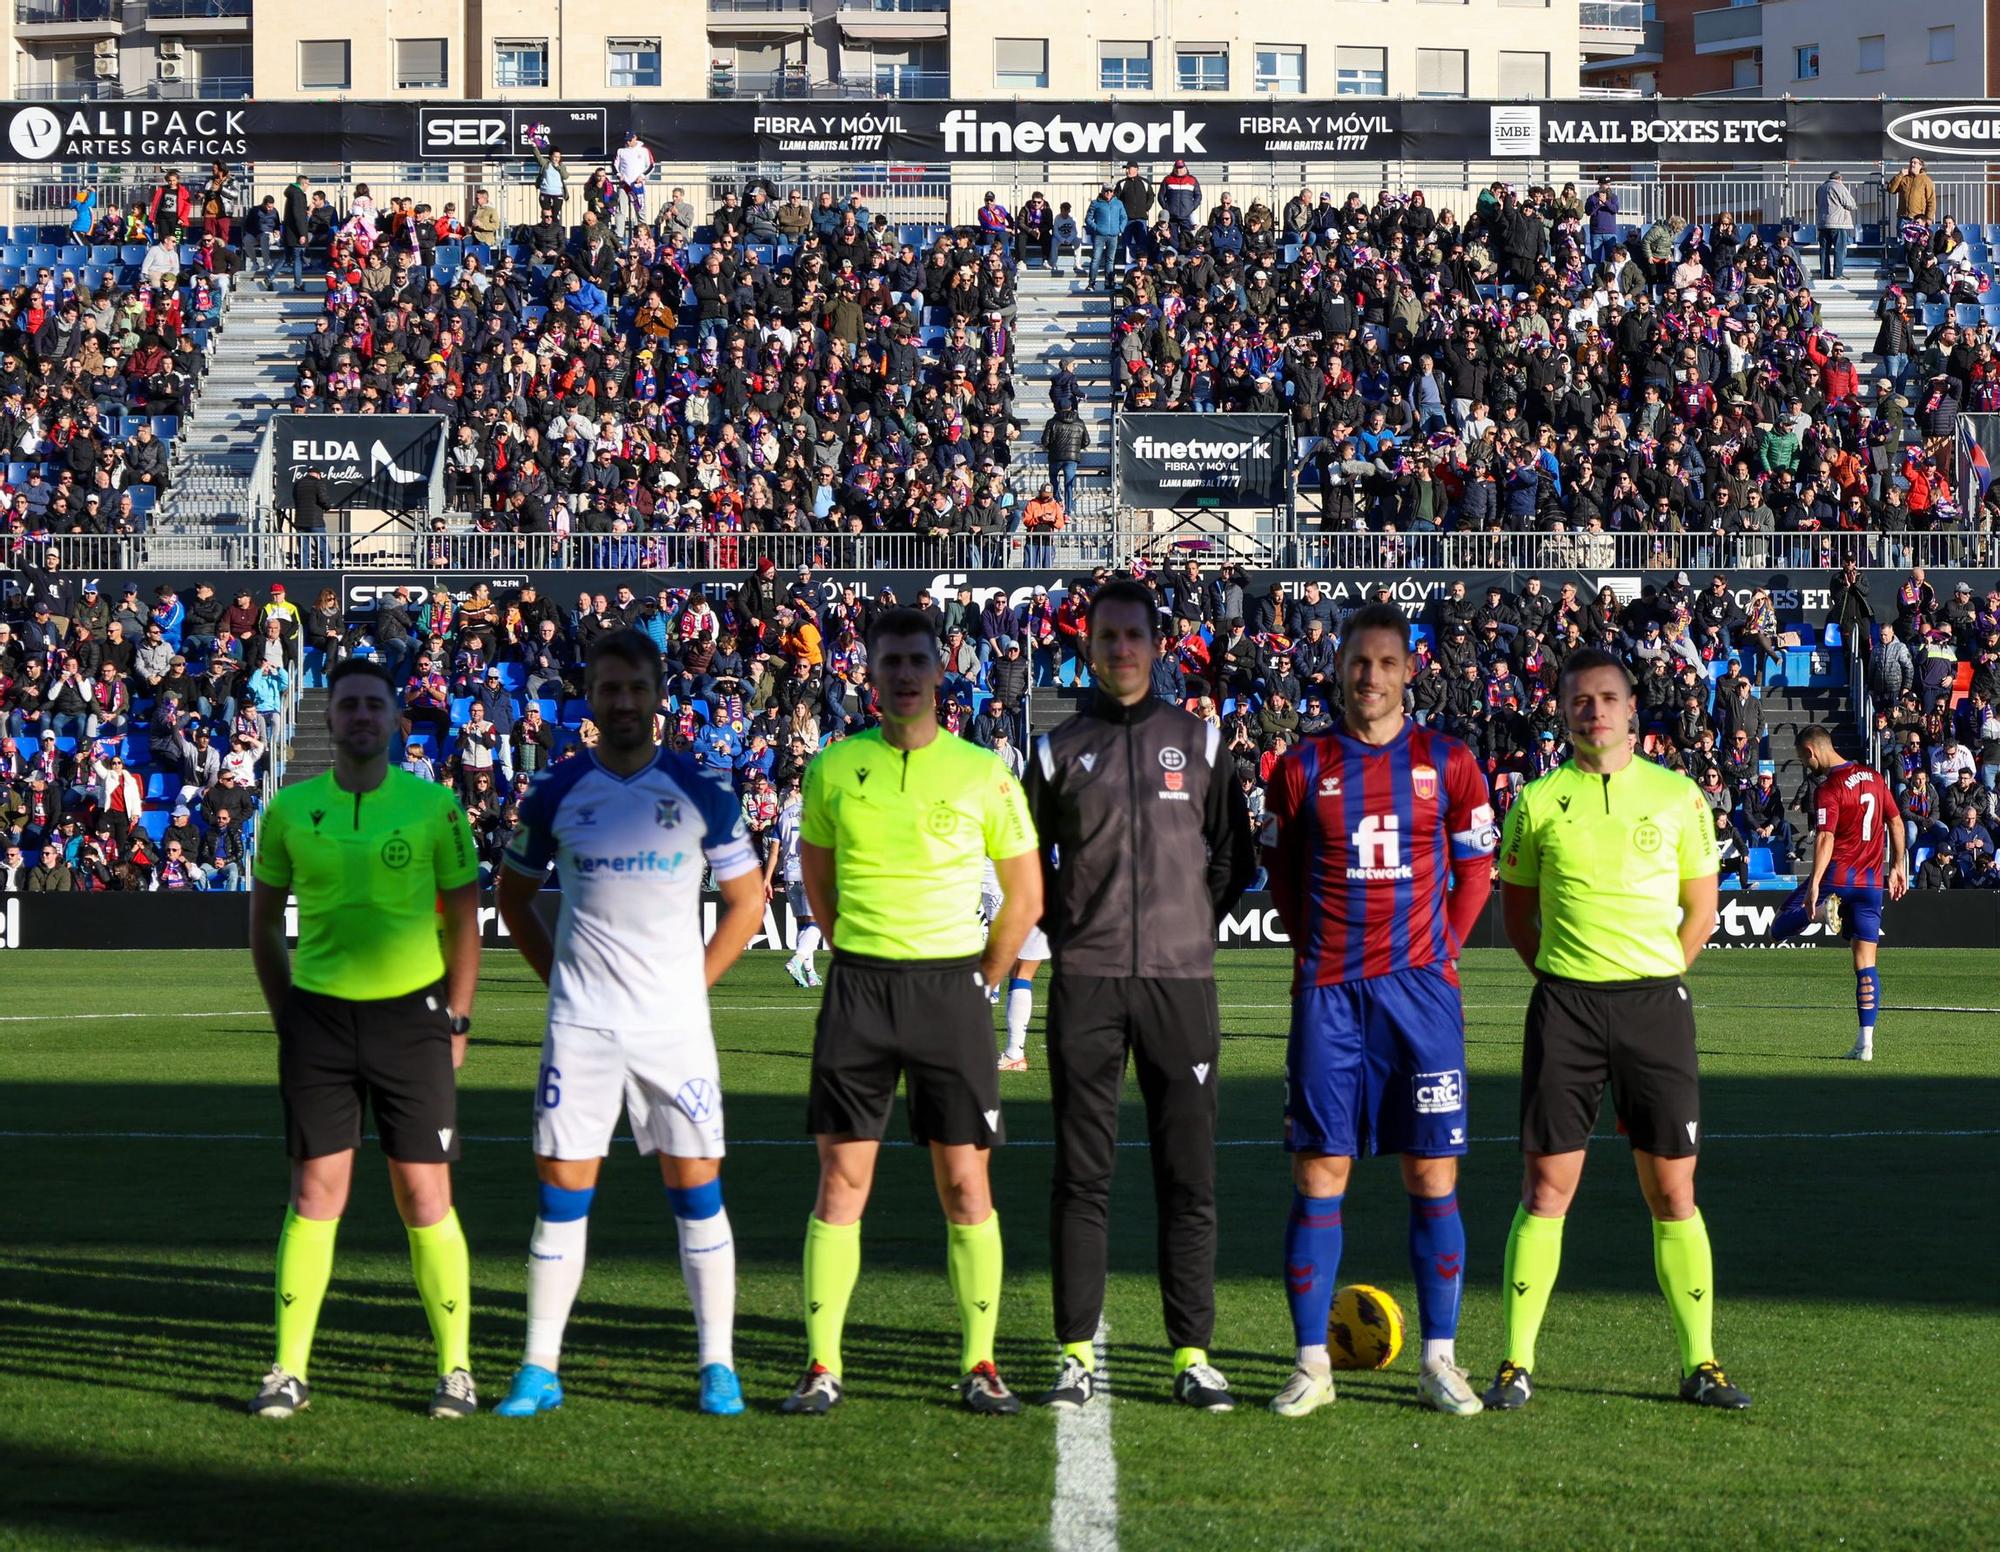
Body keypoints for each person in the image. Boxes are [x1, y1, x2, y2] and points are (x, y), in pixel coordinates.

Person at [491, 628, 766, 1419]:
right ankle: (539, 1368)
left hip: (671, 1028)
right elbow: (513, 900)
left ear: (658, 698)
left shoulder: (702, 791)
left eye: (634, 689)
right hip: (582, 1028)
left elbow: (747, 903)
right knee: (562, 1193)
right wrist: (563, 987)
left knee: (697, 1189)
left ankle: (717, 1364)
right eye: (607, 689)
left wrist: (691, 984)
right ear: (592, 696)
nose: (621, 702)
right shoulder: (554, 792)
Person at [782, 608, 1042, 1416]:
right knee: (841, 1180)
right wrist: (858, 947)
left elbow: (1027, 894)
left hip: (949, 993)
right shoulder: (831, 769)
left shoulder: (983, 772)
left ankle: (980, 1363)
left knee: (966, 1184)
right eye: (890, 660)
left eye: (917, 661)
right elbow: (817, 886)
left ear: (940, 670)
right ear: (870, 670)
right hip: (860, 990)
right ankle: (823, 1365)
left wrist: (984, 979)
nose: (903, 674)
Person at [1485, 647, 1749, 1414]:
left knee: (1673, 1190)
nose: (1592, 710)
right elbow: (1518, 916)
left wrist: (1658, 972)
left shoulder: (1679, 797)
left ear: (1633, 709)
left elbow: (1700, 909)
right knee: (1545, 1187)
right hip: (1566, 1008)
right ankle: (1515, 1362)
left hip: (1654, 1008)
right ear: (1562, 711)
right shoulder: (1536, 801)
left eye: (1606, 698)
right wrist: (1567, 977)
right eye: (1578, 700)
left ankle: (1701, 1363)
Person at [1260, 602, 1498, 1419]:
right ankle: (1310, 1365)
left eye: (1386, 663)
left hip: (1422, 997)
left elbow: (1476, 871)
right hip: (1328, 996)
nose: (1371, 676)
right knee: (1320, 1171)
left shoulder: (1450, 761)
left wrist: (1442, 951)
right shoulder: (1300, 765)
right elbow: (1283, 875)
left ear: (1409, 672)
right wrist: (1318, 947)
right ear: (1339, 670)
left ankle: (1440, 1359)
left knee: (1432, 1172)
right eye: (1359, 662)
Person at [1024, 579, 1255, 1412]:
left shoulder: (1196, 741)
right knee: (1081, 1176)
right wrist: (1069, 930)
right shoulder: (1055, 751)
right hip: (1087, 986)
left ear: (1157, 646)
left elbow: (1232, 855)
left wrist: (1193, 922)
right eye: (1107, 636)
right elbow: (1029, 865)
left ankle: (1192, 1353)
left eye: (1134, 637)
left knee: (1186, 1177)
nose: (1120, 649)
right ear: (1089, 645)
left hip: (1180, 985)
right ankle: (1075, 1354)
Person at [245, 658, 482, 1420]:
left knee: (424, 1195)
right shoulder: (287, 809)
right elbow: (262, 927)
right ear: (328, 719)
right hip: (318, 1020)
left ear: (394, 719)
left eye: (373, 706)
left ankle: (456, 1370)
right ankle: (287, 1370)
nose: (360, 717)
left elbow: (466, 916)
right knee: (316, 1194)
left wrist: (458, 1016)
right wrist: (291, 1020)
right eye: (347, 705)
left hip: (413, 1022)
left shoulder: (435, 806)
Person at [1765, 726, 1909, 1060]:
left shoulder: (1829, 787)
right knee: (1866, 964)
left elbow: (1826, 838)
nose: (1805, 763)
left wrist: (1814, 883)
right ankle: (1866, 1044)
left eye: (1803, 758)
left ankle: (1821, 912)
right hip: (1872, 883)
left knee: (1779, 926)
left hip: (1839, 875)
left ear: (1812, 752)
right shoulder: (1875, 777)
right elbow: (1897, 823)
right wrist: (1899, 865)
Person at [765, 778, 824, 987]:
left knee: (804, 925)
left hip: (790, 875)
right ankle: (796, 961)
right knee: (818, 924)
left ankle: (809, 973)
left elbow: (774, 851)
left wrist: (767, 879)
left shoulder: (784, 815)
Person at [1815, 171, 1856, 282]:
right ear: (1840, 178)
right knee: (1840, 250)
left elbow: (1818, 204)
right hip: (1838, 223)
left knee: (1824, 251)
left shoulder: (1820, 188)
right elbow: (1851, 204)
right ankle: (1838, 274)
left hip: (1823, 224)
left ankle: (1825, 274)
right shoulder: (1839, 186)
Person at [290, 466, 332, 569]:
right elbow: (323, 500)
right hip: (315, 521)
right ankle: (327, 569)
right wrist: (328, 507)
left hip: (300, 521)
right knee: (323, 546)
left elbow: (295, 499)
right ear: (318, 474)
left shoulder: (298, 484)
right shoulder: (318, 483)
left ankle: (304, 568)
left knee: (304, 549)